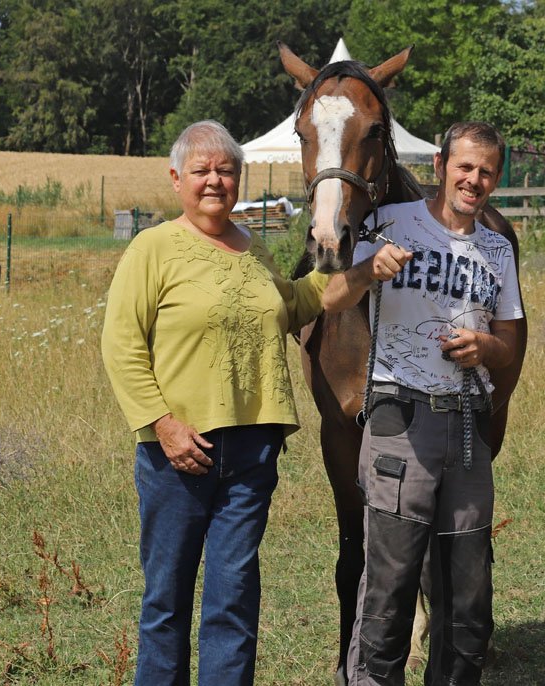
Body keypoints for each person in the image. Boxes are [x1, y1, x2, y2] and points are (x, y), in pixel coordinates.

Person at [101, 120, 330, 684]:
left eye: (226, 170)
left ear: (239, 180)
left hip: (253, 451)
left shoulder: (253, 248)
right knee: (167, 599)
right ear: (176, 178)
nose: (214, 181)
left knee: (234, 599)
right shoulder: (152, 248)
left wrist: (358, 267)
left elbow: (295, 305)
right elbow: (122, 345)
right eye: (201, 170)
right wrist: (163, 425)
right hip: (176, 452)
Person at [323, 121, 523, 686]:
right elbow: (330, 297)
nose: (474, 180)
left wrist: (486, 347)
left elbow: (509, 345)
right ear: (440, 166)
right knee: (388, 590)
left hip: (467, 429)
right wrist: (367, 269)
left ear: (496, 179)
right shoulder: (389, 222)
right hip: (400, 421)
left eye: (486, 172)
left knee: (467, 599)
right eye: (465, 167)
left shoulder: (497, 248)